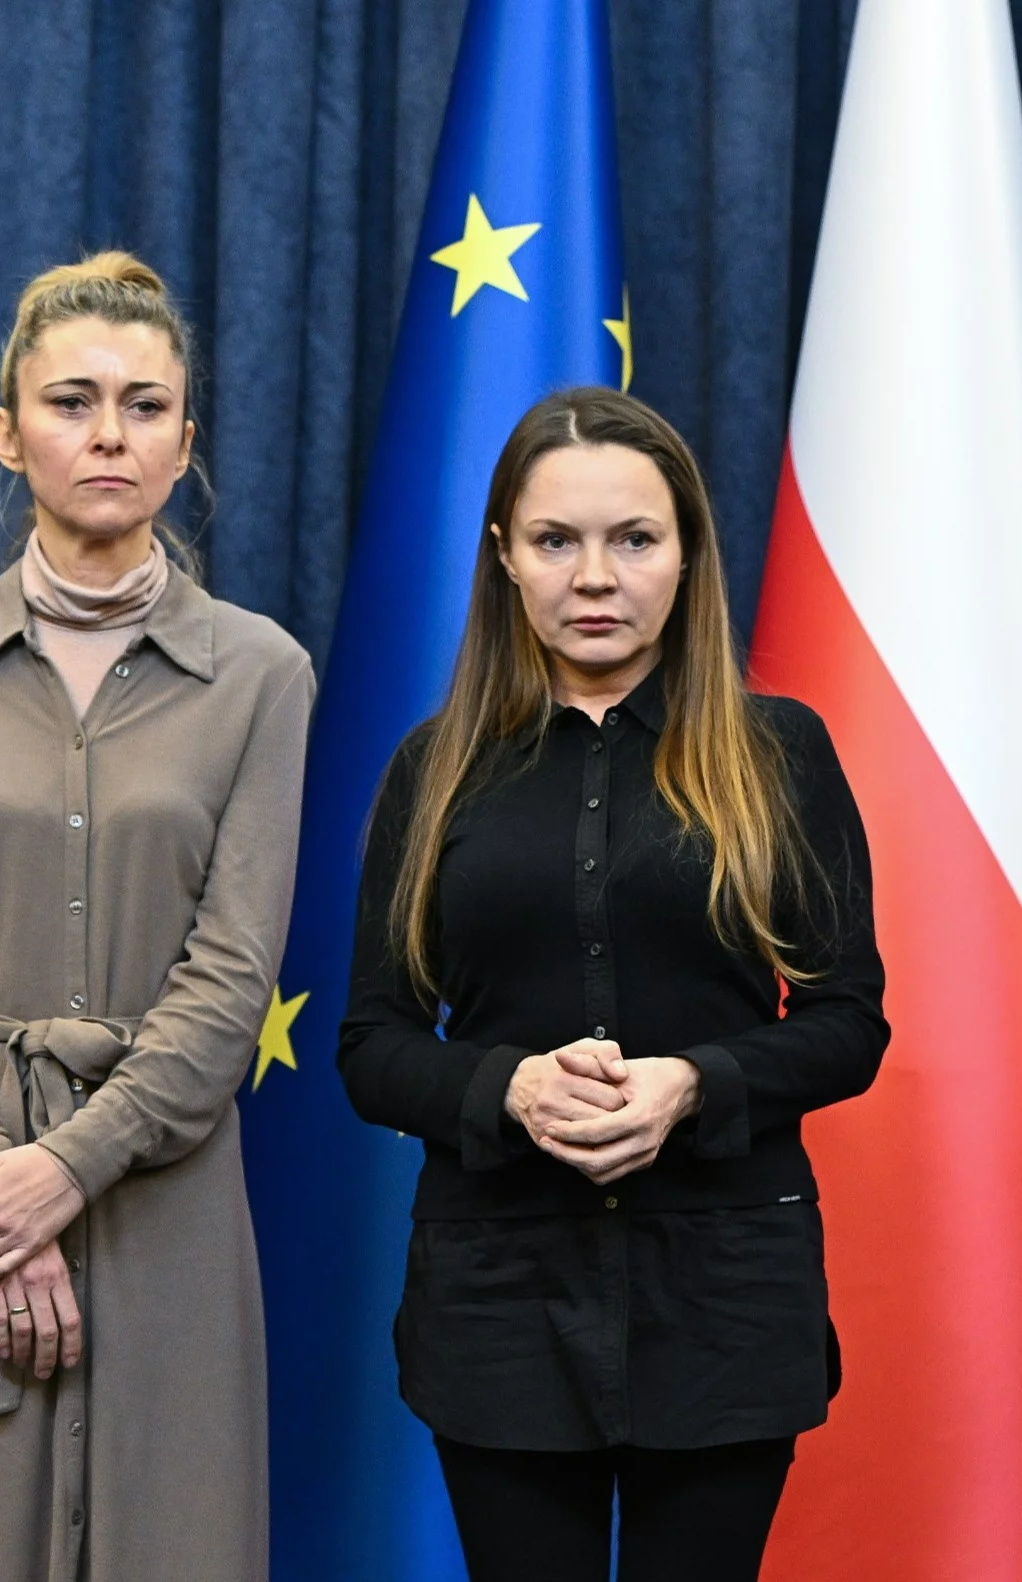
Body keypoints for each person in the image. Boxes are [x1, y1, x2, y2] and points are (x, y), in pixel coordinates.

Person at [337, 386, 887, 1582]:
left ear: (687, 554)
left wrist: (695, 1083)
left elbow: (850, 1025)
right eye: (556, 541)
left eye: (635, 539)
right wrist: (508, 1089)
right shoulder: (432, 772)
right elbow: (372, 1044)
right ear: (504, 558)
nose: (596, 576)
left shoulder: (780, 754)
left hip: (728, 1293)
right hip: (498, 1297)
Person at [0, 253, 315, 1578]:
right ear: (8, 433)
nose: (109, 432)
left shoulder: (262, 672)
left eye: (145, 404)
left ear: (184, 442)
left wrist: (68, 1168)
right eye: (71, 400)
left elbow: (230, 983)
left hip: (169, 1203)